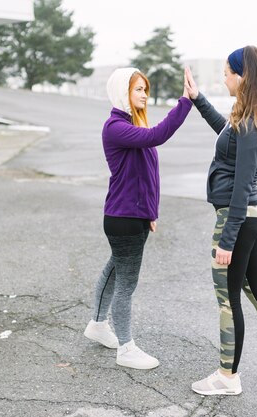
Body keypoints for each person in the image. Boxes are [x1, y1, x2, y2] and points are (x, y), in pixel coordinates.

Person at [184, 46, 257, 394]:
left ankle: (227, 377)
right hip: (253, 216)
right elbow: (228, 133)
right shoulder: (252, 119)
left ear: (242, 75)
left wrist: (227, 238)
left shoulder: (251, 123)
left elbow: (240, 184)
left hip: (238, 218)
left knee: (228, 298)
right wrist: (198, 99)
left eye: (226, 73)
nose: (224, 78)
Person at [84, 67, 192, 369]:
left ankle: (97, 325)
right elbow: (159, 135)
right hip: (123, 217)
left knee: (116, 271)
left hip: (131, 215)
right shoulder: (116, 127)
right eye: (138, 89)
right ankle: (126, 348)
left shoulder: (132, 125)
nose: (144, 94)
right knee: (126, 284)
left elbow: (147, 176)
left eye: (145, 89)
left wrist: (151, 212)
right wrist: (186, 101)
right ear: (123, 92)